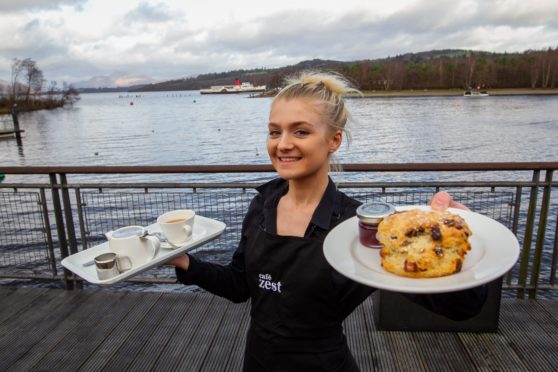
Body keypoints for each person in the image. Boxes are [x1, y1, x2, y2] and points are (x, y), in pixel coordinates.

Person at [167, 71, 485, 371]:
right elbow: (239, 286)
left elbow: (462, 307)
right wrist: (183, 262)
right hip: (258, 362)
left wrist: (448, 236)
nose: (282, 144)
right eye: (274, 131)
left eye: (301, 131)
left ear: (334, 141)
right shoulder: (262, 204)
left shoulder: (360, 225)